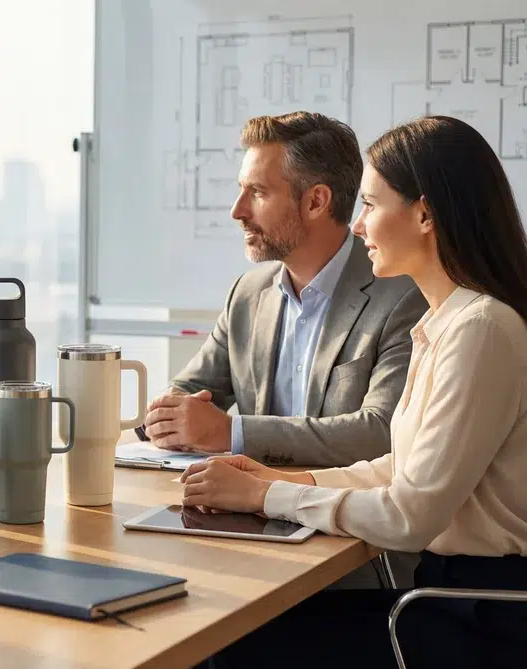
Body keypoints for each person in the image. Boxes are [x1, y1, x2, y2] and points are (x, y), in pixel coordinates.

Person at [185, 116, 527, 668]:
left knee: (230, 643)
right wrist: (276, 478)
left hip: (476, 614)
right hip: (445, 599)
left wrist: (264, 498)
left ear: (424, 214)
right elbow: (399, 469)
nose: (359, 226)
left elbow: (409, 516)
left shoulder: (481, 329)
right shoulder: (445, 321)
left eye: (370, 205)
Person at [141, 112, 427, 468]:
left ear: (316, 202)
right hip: (244, 506)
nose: (237, 210)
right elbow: (191, 387)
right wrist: (172, 412)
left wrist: (232, 432)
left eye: (257, 192)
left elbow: (380, 432)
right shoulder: (247, 294)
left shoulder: (404, 297)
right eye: (240, 190)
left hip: (336, 512)